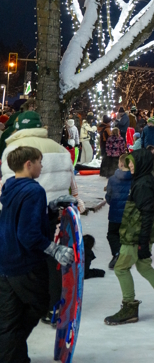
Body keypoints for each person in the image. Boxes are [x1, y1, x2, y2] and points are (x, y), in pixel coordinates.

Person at [0, 146, 76, 362]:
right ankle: (10, 350)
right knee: (39, 304)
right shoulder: (34, 190)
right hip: (25, 264)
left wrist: (50, 209)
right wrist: (56, 249)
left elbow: (21, 219)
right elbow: (28, 234)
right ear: (28, 164)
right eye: (39, 162)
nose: (42, 166)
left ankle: (14, 355)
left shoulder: (10, 186)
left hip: (6, 262)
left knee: (9, 318)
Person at [105, 149, 154, 325]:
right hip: (139, 235)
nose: (129, 165)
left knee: (121, 268)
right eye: (128, 162)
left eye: (132, 162)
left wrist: (142, 243)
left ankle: (129, 307)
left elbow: (147, 216)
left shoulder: (143, 184)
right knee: (144, 267)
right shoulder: (143, 180)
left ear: (141, 163)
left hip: (135, 237)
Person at [105, 154, 133, 269]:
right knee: (126, 236)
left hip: (115, 215)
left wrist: (113, 203)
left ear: (121, 164)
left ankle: (117, 253)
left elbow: (108, 197)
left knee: (112, 234)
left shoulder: (112, 179)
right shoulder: (134, 180)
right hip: (129, 215)